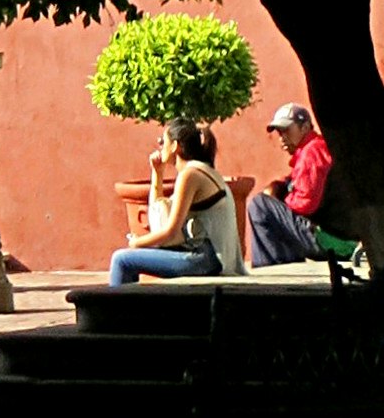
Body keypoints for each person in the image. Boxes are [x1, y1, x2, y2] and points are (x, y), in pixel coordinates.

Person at [106, 119, 245, 283]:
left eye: (162, 141)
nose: (160, 146)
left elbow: (170, 231)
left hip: (206, 259)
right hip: (209, 256)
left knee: (122, 259)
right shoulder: (200, 170)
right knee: (126, 258)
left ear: (175, 146)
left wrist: (137, 243)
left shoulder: (190, 175)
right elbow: (159, 214)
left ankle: (112, 309)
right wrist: (157, 173)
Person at [247, 101, 352, 267]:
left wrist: (278, 201)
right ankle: (280, 264)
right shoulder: (316, 148)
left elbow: (306, 204)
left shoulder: (312, 152)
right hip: (340, 240)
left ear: (305, 127)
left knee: (260, 205)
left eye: (286, 130)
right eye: (279, 132)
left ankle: (271, 267)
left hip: (329, 239)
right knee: (270, 205)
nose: (282, 137)